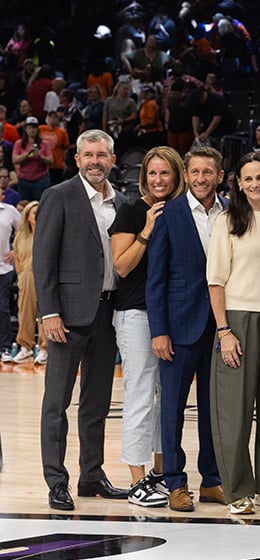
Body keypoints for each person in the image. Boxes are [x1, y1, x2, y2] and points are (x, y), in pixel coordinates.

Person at [34, 129, 129, 511]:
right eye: (88, 154)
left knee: (97, 402)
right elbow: (43, 259)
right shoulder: (58, 196)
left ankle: (91, 475)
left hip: (108, 313)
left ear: (111, 159)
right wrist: (49, 311)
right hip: (67, 316)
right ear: (76, 159)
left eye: (101, 155)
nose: (95, 161)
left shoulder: (122, 202)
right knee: (56, 403)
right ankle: (57, 481)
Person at [207, 152, 260, 515]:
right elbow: (215, 280)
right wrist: (224, 330)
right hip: (238, 320)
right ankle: (237, 490)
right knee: (233, 412)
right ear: (238, 183)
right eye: (248, 179)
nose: (255, 184)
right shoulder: (227, 221)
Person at [146, 146, 227, 512]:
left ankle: (212, 480)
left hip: (222, 327)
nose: (200, 178)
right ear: (186, 174)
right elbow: (156, 278)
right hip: (178, 327)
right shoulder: (170, 212)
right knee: (173, 410)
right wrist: (158, 330)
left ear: (219, 176)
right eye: (194, 172)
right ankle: (175, 483)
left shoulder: (230, 211)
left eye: (207, 172)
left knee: (215, 409)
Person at [109, 147, 186, 508]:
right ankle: (136, 478)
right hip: (137, 314)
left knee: (165, 399)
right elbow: (122, 266)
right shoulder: (131, 210)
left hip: (172, 317)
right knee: (140, 395)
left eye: (164, 174)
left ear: (176, 176)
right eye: (152, 173)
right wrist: (147, 230)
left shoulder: (183, 210)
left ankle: (160, 471)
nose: (158, 180)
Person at [12, 201, 44, 364]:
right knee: (24, 312)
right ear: (27, 217)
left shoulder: (47, 233)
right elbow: (17, 257)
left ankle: (45, 348)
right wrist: (22, 276)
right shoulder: (21, 236)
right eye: (33, 213)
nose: (36, 216)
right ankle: (25, 347)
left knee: (44, 312)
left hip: (44, 275)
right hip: (26, 275)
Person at [13, 116, 52, 201]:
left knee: (40, 202)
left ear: (37, 129)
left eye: (34, 127)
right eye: (29, 127)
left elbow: (51, 161)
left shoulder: (44, 144)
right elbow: (15, 160)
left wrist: (40, 156)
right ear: (26, 129)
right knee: (24, 202)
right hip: (24, 179)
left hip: (40, 179)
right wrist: (27, 154)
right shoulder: (19, 143)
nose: (32, 130)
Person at [0, 195, 18, 362]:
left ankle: (5, 347)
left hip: (3, 268)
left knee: (3, 309)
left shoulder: (10, 211)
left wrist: (15, 251)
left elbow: (25, 230)